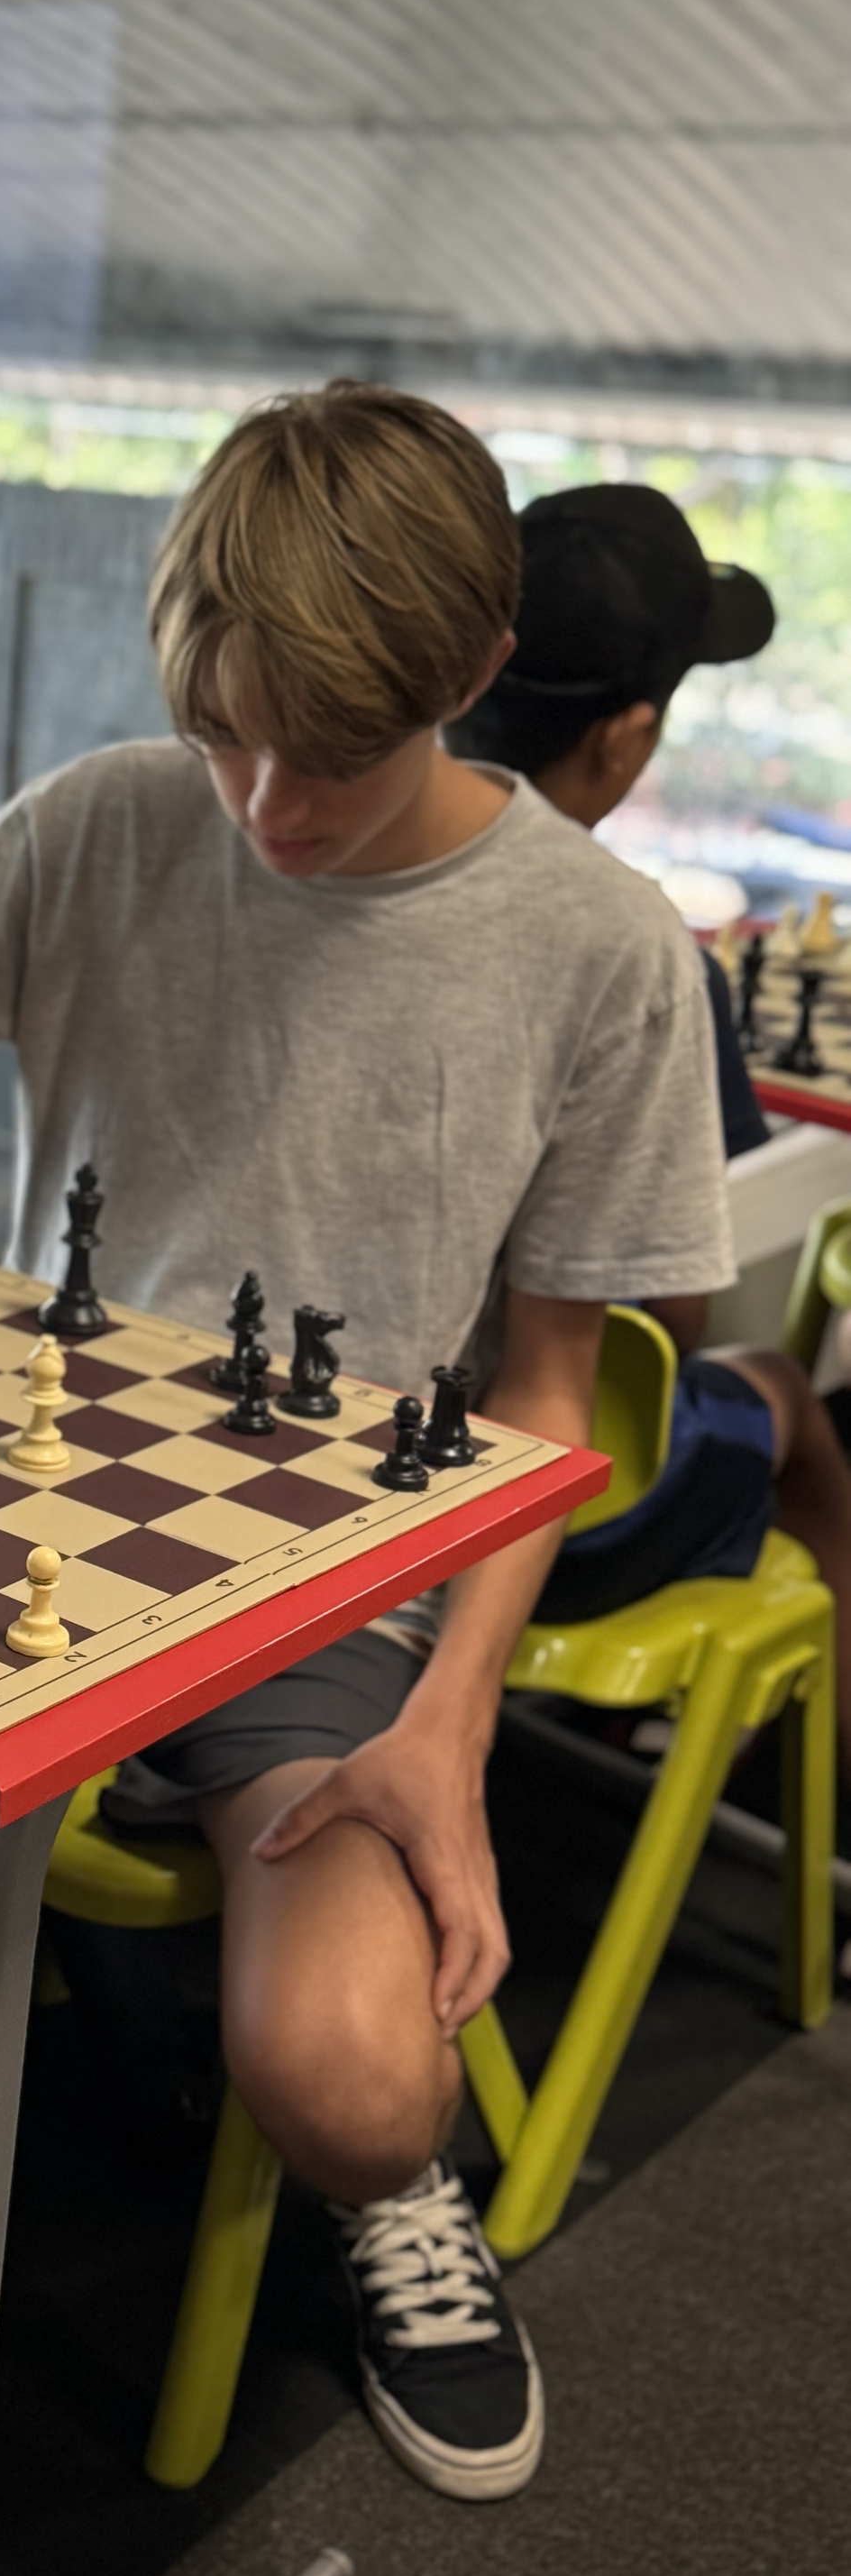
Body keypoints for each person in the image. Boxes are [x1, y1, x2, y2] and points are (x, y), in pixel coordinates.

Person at [0, 383, 737, 2505]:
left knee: (345, 2086)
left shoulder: (596, 948)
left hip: (334, 1585)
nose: (256, 802)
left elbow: (549, 1408)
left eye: (316, 755)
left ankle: (79, 2012)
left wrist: (446, 1726)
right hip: (6, 1526)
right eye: (219, 734)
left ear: (459, 675)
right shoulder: (100, 819)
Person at [452, 482, 851, 1756]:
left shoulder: (351, 884)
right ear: (624, 741)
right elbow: (662, 1313)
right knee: (788, 1391)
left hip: (309, 1446)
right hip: (535, 1501)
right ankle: (815, 1825)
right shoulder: (639, 952)